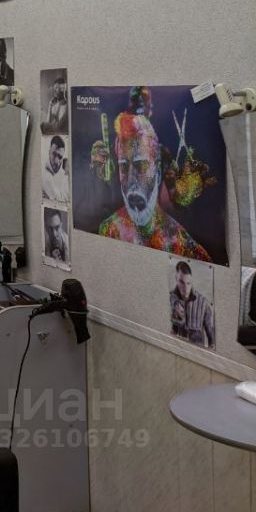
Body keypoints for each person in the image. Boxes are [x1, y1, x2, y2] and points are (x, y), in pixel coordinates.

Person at [93, 111, 211, 260]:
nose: (131, 181)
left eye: (140, 165)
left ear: (158, 173)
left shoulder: (183, 247)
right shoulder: (109, 230)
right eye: (124, 167)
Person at [170, 261, 214, 348]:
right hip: (179, 348)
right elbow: (173, 329)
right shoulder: (173, 298)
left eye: (188, 283)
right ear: (176, 279)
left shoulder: (203, 303)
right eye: (181, 282)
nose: (186, 289)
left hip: (197, 351)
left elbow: (211, 336)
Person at [42, 136, 71, 204]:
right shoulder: (43, 175)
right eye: (54, 154)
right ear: (49, 152)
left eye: (60, 157)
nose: (56, 161)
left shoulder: (65, 172)